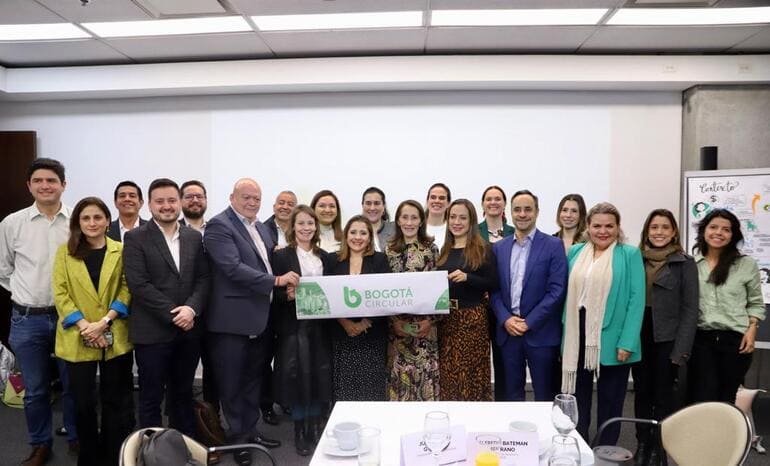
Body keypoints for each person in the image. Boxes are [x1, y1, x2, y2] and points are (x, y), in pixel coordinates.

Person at [203, 178, 299, 455]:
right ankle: (238, 440)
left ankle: (250, 431)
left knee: (253, 379)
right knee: (232, 383)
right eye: (246, 197)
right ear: (232, 197)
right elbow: (232, 268)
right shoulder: (219, 226)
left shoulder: (261, 228)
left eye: (256, 198)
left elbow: (269, 261)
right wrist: (277, 281)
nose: (252, 203)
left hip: (261, 318)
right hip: (231, 321)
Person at [0, 157, 78, 466]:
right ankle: (40, 444)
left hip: (70, 318)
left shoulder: (77, 220)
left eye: (51, 180)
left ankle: (76, 436)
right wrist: (25, 292)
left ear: (63, 185)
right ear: (29, 186)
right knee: (34, 390)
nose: (45, 186)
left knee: (74, 386)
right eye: (38, 181)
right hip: (27, 319)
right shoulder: (12, 223)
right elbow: (3, 269)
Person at [122, 178, 210, 438]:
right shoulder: (135, 237)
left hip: (188, 331)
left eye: (172, 200)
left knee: (183, 394)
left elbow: (204, 278)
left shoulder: (193, 237)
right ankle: (152, 451)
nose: (167, 206)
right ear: (149, 205)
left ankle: (185, 447)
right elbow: (139, 284)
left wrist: (190, 309)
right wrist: (176, 313)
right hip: (152, 333)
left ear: (180, 203)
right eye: (159, 201)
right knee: (151, 398)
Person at [53, 197, 134, 466]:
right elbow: (60, 292)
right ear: (78, 222)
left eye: (98, 217)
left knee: (114, 400)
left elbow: (127, 288)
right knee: (83, 403)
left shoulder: (121, 250)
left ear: (107, 221)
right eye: (85, 218)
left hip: (114, 332)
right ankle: (88, 457)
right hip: (78, 335)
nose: (92, 223)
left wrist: (104, 322)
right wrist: (85, 326)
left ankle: (112, 456)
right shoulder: (65, 252)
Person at [561, 202, 645, 446]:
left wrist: (627, 341)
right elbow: (567, 295)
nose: (603, 231)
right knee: (578, 396)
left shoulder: (629, 254)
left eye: (609, 226)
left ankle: (605, 450)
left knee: (610, 399)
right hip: (577, 331)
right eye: (597, 226)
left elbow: (636, 300)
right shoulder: (576, 251)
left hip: (613, 336)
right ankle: (578, 445)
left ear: (618, 227)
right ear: (588, 226)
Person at [631, 209, 698, 466]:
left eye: (665, 227)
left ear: (673, 232)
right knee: (641, 392)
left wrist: (681, 350)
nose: (659, 232)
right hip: (639, 335)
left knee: (663, 396)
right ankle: (642, 443)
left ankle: (658, 447)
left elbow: (690, 309)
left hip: (668, 338)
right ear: (647, 231)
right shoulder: (636, 258)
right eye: (654, 227)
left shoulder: (685, 263)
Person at [490, 190, 567, 402]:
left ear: (537, 212)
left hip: (541, 333)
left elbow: (557, 290)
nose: (522, 214)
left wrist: (528, 322)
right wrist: (506, 319)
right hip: (509, 334)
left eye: (528, 209)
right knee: (512, 396)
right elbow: (494, 290)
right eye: (517, 209)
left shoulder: (553, 245)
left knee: (545, 397)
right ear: (510, 212)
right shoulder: (499, 248)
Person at [271, 205, 334, 456]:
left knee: (319, 378)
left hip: (321, 328)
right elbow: (272, 294)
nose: (306, 228)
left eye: (310, 223)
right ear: (293, 227)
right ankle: (299, 430)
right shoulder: (281, 256)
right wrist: (286, 295)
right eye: (301, 223)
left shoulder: (326, 257)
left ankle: (315, 428)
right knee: (297, 379)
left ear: (316, 227)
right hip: (293, 328)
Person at [689, 209, 765, 404]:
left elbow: (756, 302)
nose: (718, 233)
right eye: (713, 227)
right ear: (704, 231)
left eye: (726, 229)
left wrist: (752, 329)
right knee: (703, 396)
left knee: (727, 397)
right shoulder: (690, 264)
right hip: (701, 339)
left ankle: (727, 426)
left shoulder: (746, 264)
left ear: (733, 235)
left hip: (735, 340)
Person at [437, 199, 499, 401]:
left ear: (471, 221)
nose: (457, 222)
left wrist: (468, 277)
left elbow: (493, 283)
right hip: (446, 320)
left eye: (462, 218)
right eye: (453, 217)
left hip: (472, 320)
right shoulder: (444, 249)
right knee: (449, 375)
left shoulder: (483, 249)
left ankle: (474, 417)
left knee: (471, 374)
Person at [330, 215, 390, 401]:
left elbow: (386, 295)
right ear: (346, 235)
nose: (358, 237)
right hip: (342, 334)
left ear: (370, 237)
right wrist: (345, 323)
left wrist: (365, 323)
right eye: (353, 232)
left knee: (371, 389)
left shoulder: (380, 260)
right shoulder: (332, 260)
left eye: (363, 233)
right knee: (345, 389)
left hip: (372, 335)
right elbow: (328, 295)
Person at [385, 200, 440, 401]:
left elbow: (438, 289)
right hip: (397, 332)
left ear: (421, 221)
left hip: (425, 331)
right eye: (405, 217)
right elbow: (382, 292)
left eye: (414, 218)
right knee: (399, 389)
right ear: (398, 221)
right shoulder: (388, 251)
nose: (409, 222)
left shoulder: (431, 249)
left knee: (425, 386)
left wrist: (430, 321)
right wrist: (393, 322)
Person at [261, 190, 299, 425]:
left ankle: (287, 399)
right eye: (281, 203)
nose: (285, 206)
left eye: (290, 203)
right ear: (274, 206)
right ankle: (266, 405)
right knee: (265, 359)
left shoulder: (301, 229)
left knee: (289, 359)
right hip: (267, 305)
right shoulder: (260, 229)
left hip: (292, 306)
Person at [361, 186, 395, 252]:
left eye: (377, 203)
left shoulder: (395, 229)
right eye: (368, 203)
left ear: (384, 206)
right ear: (362, 205)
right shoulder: (354, 232)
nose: (372, 208)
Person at [425, 183, 451, 251]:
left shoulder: (453, 229)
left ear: (448, 203)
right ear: (427, 201)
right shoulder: (417, 226)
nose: (437, 201)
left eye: (442, 198)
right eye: (433, 197)